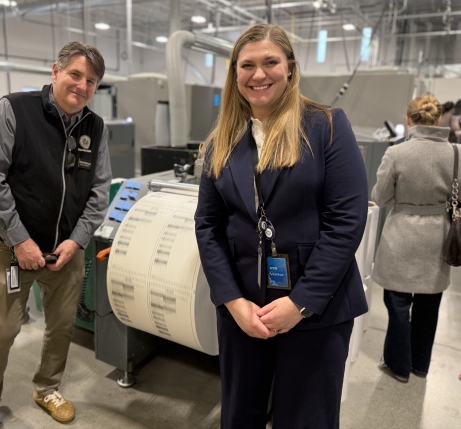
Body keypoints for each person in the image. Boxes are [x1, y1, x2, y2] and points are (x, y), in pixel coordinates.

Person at [194, 24, 369, 429]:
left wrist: (300, 303)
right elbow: (207, 225)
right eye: (248, 65)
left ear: (289, 67)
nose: (259, 75)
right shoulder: (221, 140)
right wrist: (232, 301)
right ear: (234, 73)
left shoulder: (325, 126)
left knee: (307, 418)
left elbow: (346, 222)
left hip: (315, 312)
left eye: (270, 62)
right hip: (244, 310)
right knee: (240, 416)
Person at [0, 41, 111, 428]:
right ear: (55, 72)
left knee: (62, 325)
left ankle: (47, 387)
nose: (82, 86)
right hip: (10, 251)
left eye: (92, 81)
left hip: (66, 252)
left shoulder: (95, 128)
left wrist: (77, 240)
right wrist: (20, 240)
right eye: (75, 75)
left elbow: (100, 192)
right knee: (1, 330)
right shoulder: (14, 110)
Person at [371, 95, 461, 384]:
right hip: (439, 235)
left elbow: (380, 197)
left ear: (408, 119)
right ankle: (420, 365)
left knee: (397, 304)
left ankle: (397, 365)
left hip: (401, 233)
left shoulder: (397, 153)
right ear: (438, 119)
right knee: (430, 304)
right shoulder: (460, 154)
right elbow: (460, 197)